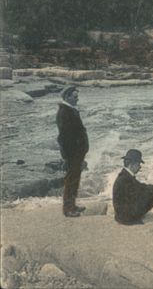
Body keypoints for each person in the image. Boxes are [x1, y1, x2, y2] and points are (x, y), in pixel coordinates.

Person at [56, 86, 88, 217]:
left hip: (77, 153)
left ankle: (72, 205)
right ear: (67, 97)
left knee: (75, 179)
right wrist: (67, 156)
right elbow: (63, 138)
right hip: (72, 153)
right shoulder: (64, 112)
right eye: (75, 97)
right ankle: (68, 209)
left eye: (77, 96)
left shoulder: (70, 110)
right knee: (71, 180)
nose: (77, 99)